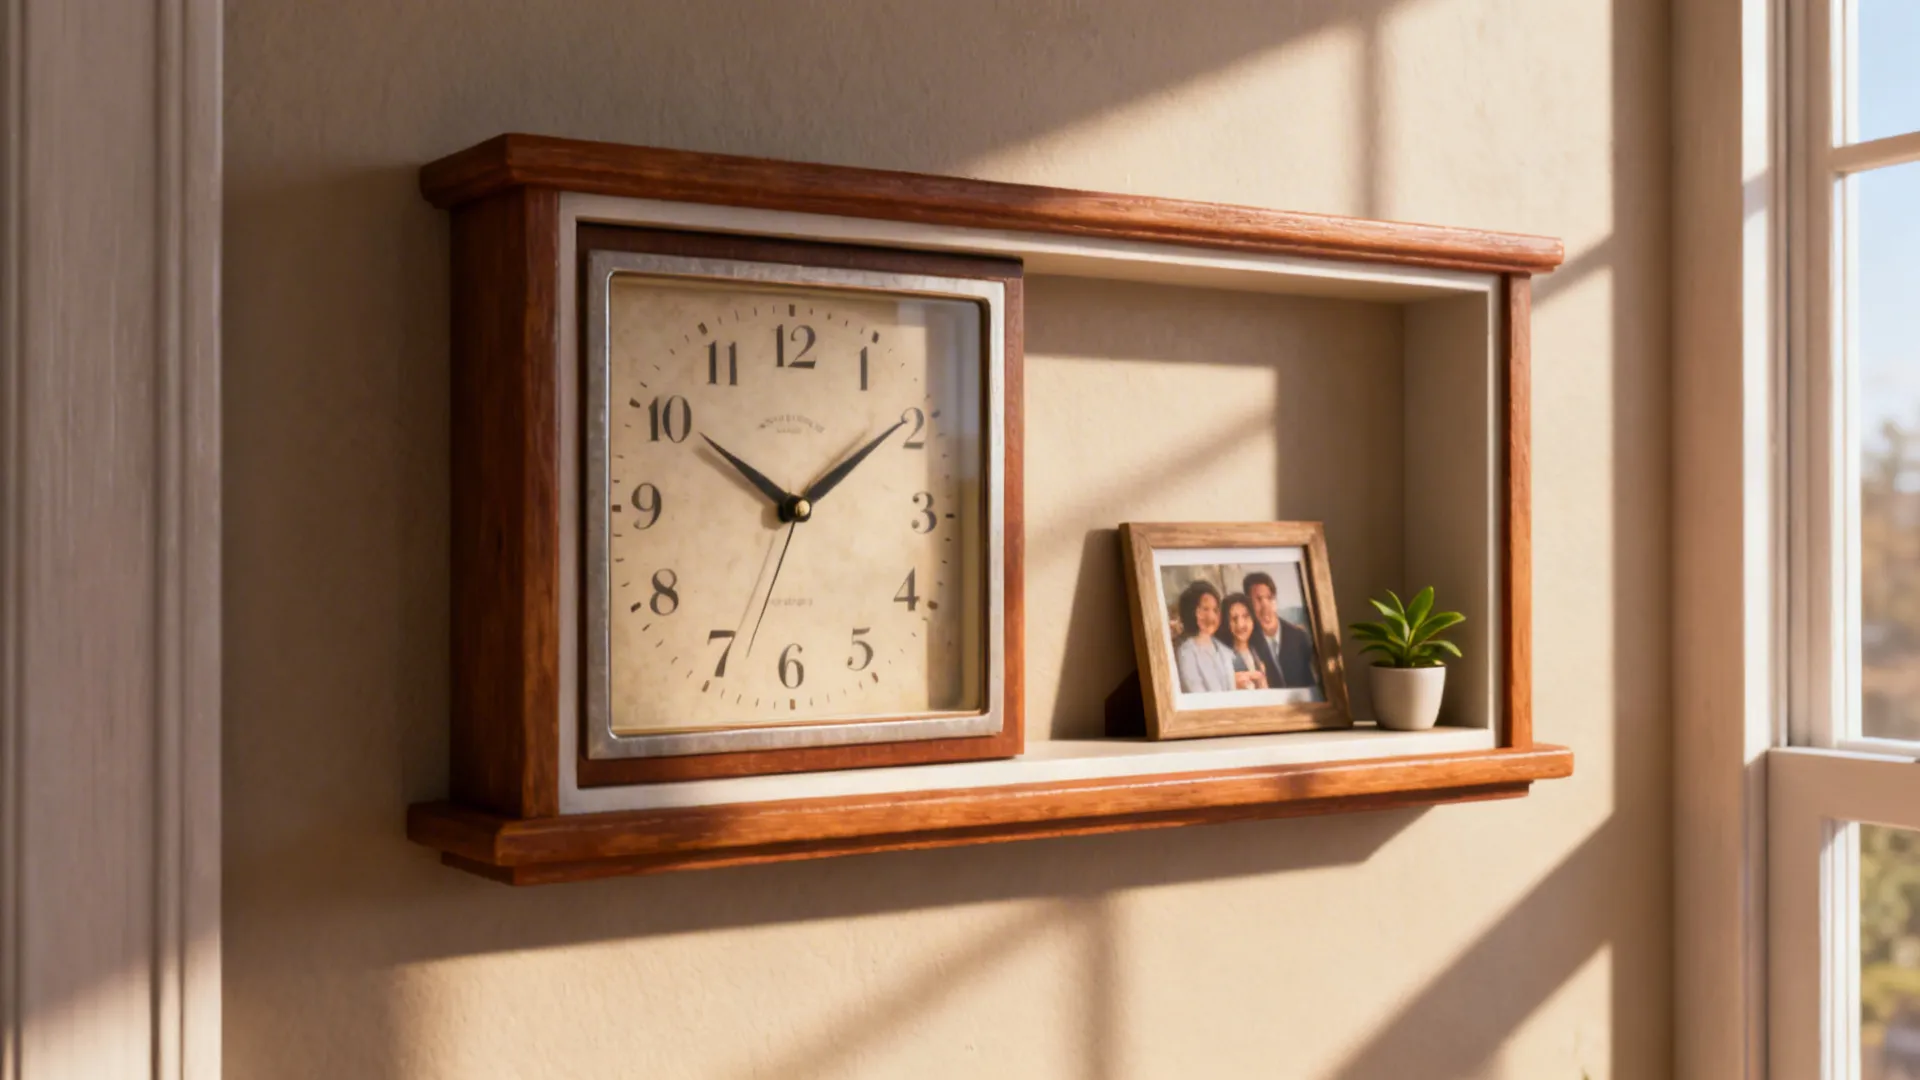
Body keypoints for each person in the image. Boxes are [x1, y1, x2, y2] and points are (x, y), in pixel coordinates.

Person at [1243, 570, 1321, 689]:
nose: (1265, 606)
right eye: (1258, 599)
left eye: (1269, 598)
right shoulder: (1248, 642)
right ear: (1248, 604)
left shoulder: (1299, 637)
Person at [1171, 580, 1237, 693]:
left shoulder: (1225, 651)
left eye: (1215, 610)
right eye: (1204, 609)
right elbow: (1195, 691)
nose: (1211, 616)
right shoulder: (1187, 652)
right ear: (1191, 611)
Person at [1213, 592, 1269, 690]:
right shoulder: (1221, 657)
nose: (1240, 624)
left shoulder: (1260, 653)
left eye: (1246, 616)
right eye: (1234, 619)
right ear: (1226, 623)